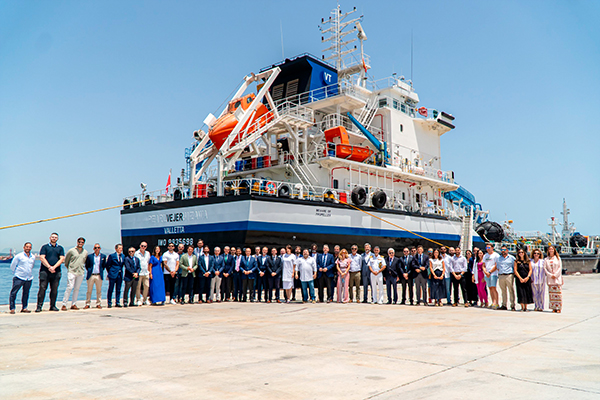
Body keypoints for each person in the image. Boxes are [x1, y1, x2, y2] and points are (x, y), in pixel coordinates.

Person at [36, 232, 65, 312]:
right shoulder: (44, 247)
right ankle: (39, 306)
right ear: (50, 238)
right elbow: (42, 258)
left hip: (56, 272)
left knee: (54, 289)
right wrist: (49, 267)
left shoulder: (60, 248)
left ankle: (52, 306)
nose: (54, 238)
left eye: (55, 237)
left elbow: (62, 259)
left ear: (57, 239)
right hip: (44, 271)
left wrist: (54, 267)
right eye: (52, 237)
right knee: (42, 288)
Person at [61, 237, 89, 311]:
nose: (80, 243)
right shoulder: (71, 251)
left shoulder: (85, 252)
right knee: (69, 287)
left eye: (82, 242)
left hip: (80, 272)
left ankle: (73, 304)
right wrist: (69, 268)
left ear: (84, 243)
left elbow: (85, 261)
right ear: (77, 242)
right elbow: (66, 261)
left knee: (77, 289)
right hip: (72, 271)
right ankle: (64, 304)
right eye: (79, 242)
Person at [9, 242, 36, 314]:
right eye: (27, 247)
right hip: (19, 277)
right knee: (14, 293)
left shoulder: (33, 257)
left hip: (28, 278)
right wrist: (16, 273)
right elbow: (13, 266)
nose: (28, 248)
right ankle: (12, 308)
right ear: (24, 247)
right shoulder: (19, 256)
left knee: (26, 293)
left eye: (29, 247)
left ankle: (24, 307)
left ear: (31, 248)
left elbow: (32, 266)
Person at [84, 243, 106, 309]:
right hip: (91, 275)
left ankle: (98, 303)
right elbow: (87, 265)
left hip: (99, 275)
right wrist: (90, 271)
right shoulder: (90, 256)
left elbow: (104, 265)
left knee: (99, 290)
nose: (97, 249)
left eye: (98, 247)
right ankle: (87, 303)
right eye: (95, 248)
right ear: (93, 249)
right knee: (89, 290)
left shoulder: (103, 256)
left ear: (100, 248)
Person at [497, 245, 516, 311]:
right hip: (501, 275)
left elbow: (514, 267)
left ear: (507, 250)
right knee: (503, 291)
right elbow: (497, 267)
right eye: (502, 250)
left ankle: (512, 305)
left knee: (511, 290)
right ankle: (504, 305)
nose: (503, 251)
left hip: (509, 275)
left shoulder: (511, 258)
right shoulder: (499, 258)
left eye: (504, 250)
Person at [544, 245, 563, 313]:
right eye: (549, 249)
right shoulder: (546, 259)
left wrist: (555, 275)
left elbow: (560, 268)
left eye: (552, 249)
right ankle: (553, 307)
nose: (551, 250)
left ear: (554, 250)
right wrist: (550, 275)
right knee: (552, 295)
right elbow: (545, 268)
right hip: (550, 278)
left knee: (558, 294)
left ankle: (559, 307)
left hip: (557, 278)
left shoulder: (557, 258)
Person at [482, 243, 499, 309]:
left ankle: (496, 303)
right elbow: (483, 265)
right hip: (487, 274)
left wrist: (490, 272)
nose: (487, 249)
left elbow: (496, 265)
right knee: (490, 288)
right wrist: (485, 272)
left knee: (494, 288)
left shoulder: (496, 255)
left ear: (492, 248)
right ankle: (493, 302)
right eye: (486, 248)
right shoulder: (485, 256)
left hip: (493, 274)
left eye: (489, 248)